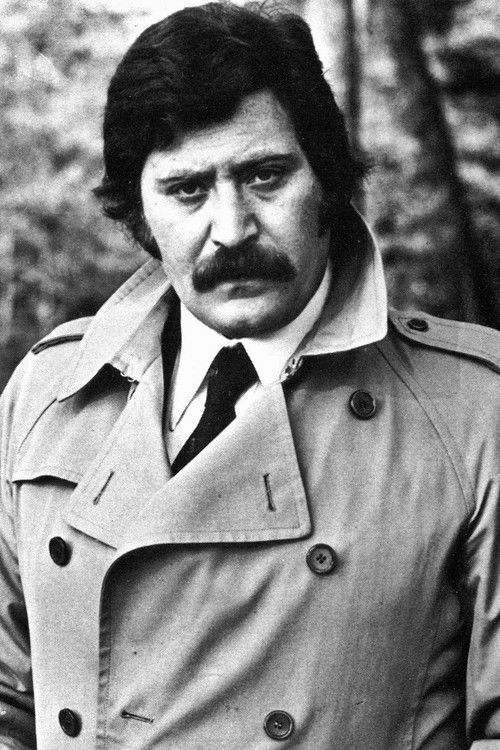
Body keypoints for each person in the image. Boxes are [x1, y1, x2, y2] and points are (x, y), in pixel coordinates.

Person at [0, 2, 499, 748]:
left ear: (326, 181)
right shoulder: (48, 392)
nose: (232, 229)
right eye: (187, 190)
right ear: (138, 213)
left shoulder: (474, 409)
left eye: (266, 177)